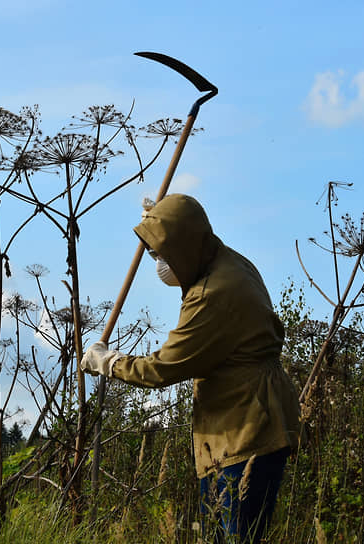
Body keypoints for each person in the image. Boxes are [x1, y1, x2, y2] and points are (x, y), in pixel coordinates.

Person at [81, 194, 301, 543]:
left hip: (245, 430)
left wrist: (108, 362)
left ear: (184, 247)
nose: (159, 264)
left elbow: (163, 369)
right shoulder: (229, 260)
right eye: (153, 254)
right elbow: (186, 229)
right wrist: (161, 221)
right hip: (241, 426)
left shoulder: (212, 293)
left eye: (162, 254)